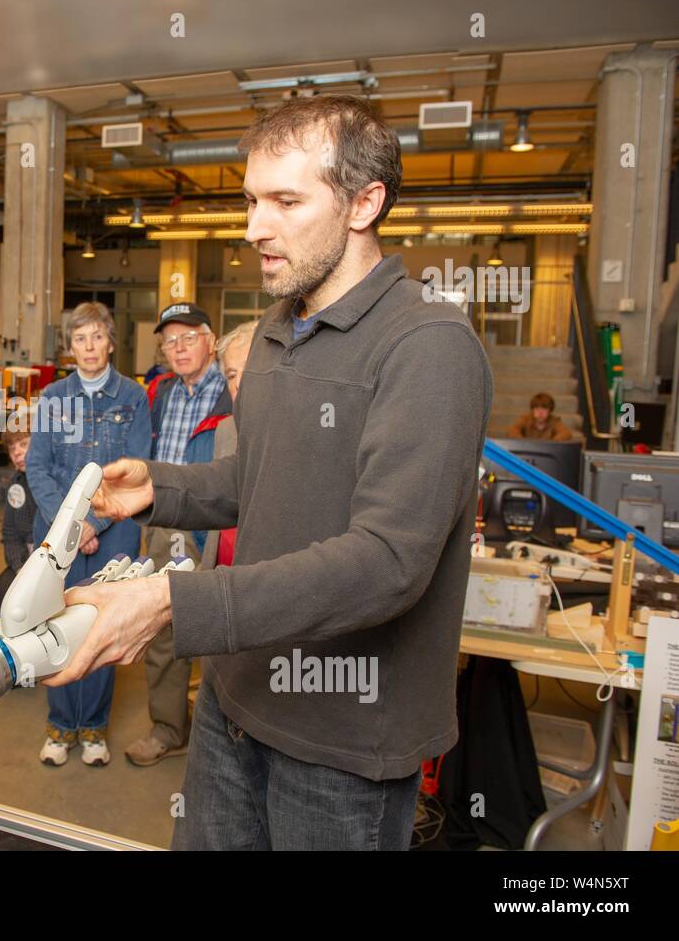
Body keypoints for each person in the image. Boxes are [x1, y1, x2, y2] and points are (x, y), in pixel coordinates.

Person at [45, 94, 491, 851]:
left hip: (341, 737)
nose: (254, 227)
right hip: (235, 698)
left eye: (286, 200)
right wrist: (163, 486)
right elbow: (263, 476)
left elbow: (387, 563)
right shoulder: (285, 325)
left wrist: (172, 602)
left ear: (364, 203)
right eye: (252, 200)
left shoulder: (428, 347)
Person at [26, 302, 151, 768]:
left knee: (101, 628)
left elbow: (135, 471)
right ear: (69, 346)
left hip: (114, 531)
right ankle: (60, 727)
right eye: (80, 339)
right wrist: (70, 526)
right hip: (56, 533)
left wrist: (94, 525)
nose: (89, 347)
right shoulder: (53, 396)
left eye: (97, 336)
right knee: (55, 625)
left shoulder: (133, 397)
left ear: (111, 342)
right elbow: (37, 466)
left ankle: (93, 728)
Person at [127, 301, 231, 768]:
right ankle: (170, 728)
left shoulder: (234, 389)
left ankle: (229, 734)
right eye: (171, 341)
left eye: (190, 337)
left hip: (216, 523)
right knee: (163, 627)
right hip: (165, 520)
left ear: (211, 340)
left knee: (225, 624)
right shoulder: (160, 393)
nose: (179, 347)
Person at [199, 321, 258, 574]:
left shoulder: (299, 433)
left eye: (252, 370)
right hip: (220, 572)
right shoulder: (225, 430)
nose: (239, 384)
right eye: (232, 375)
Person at [0, 411, 36, 615]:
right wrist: (21, 569)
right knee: (0, 591)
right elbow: (10, 535)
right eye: (12, 448)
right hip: (28, 562)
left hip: (60, 565)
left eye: (24, 444)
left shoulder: (58, 481)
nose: (17, 453)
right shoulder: (15, 485)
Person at [506, 392, 575, 441]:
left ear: (550, 410)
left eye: (544, 409)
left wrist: (552, 443)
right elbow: (512, 430)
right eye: (537, 409)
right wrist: (523, 443)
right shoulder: (525, 419)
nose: (540, 413)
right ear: (532, 410)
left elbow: (566, 433)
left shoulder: (554, 421)